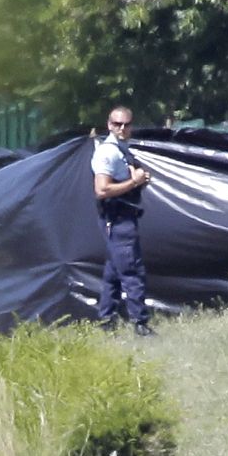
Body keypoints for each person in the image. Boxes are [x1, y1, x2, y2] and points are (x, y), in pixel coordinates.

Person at [91, 106, 155, 336]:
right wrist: (134, 183)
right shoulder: (107, 153)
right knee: (131, 270)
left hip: (124, 217)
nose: (122, 128)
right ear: (109, 125)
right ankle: (140, 323)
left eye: (126, 124)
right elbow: (102, 189)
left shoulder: (121, 149)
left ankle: (106, 319)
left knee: (113, 272)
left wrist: (139, 178)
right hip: (117, 219)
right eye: (117, 124)